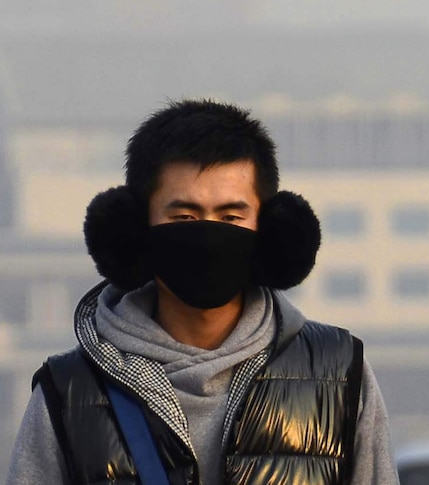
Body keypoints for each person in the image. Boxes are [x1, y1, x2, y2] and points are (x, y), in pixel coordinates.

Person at [6, 99, 400, 485]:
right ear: (133, 229)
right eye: (184, 217)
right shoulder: (66, 393)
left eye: (231, 217)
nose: (209, 236)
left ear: (273, 232)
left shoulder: (342, 375)